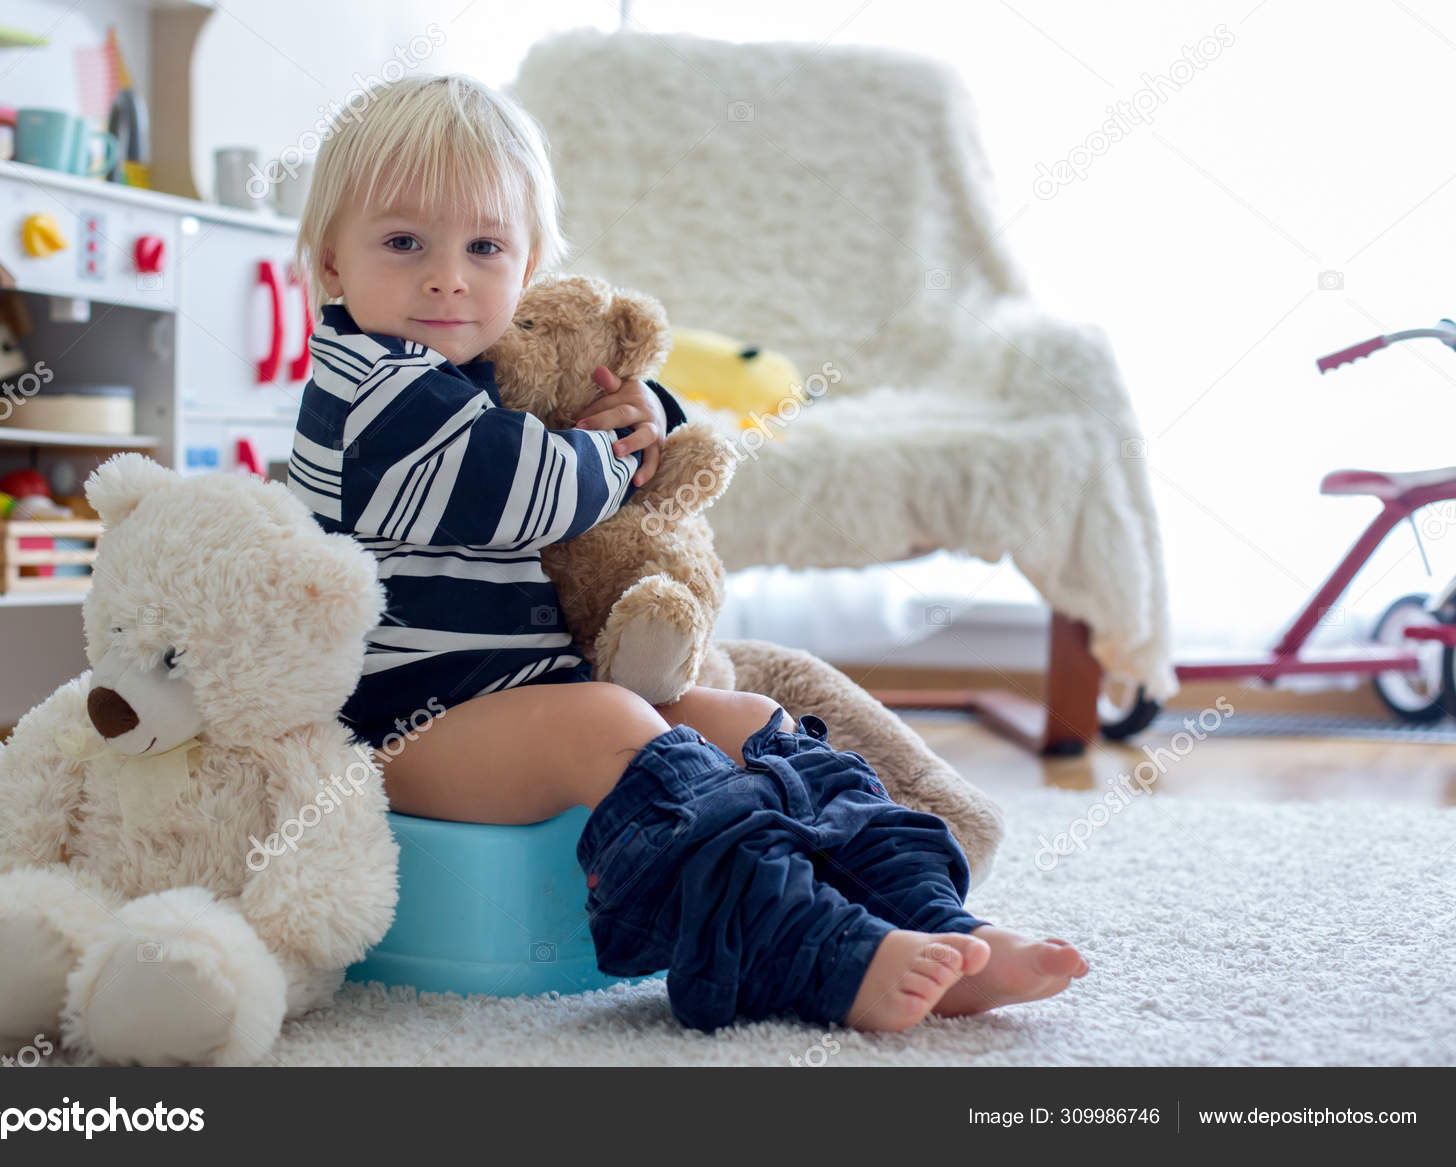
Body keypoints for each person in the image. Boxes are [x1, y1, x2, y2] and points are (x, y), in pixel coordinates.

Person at [287, 73, 1088, 1033]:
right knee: (602, 724)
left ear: (531, 262)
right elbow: (524, 486)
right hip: (402, 731)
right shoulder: (364, 385)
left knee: (750, 716)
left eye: (485, 246)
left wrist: (644, 416)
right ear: (333, 263)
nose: (448, 276)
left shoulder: (476, 367)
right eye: (404, 242)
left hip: (519, 697)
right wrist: (613, 454)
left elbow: (608, 415)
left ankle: (928, 916)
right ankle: (817, 955)